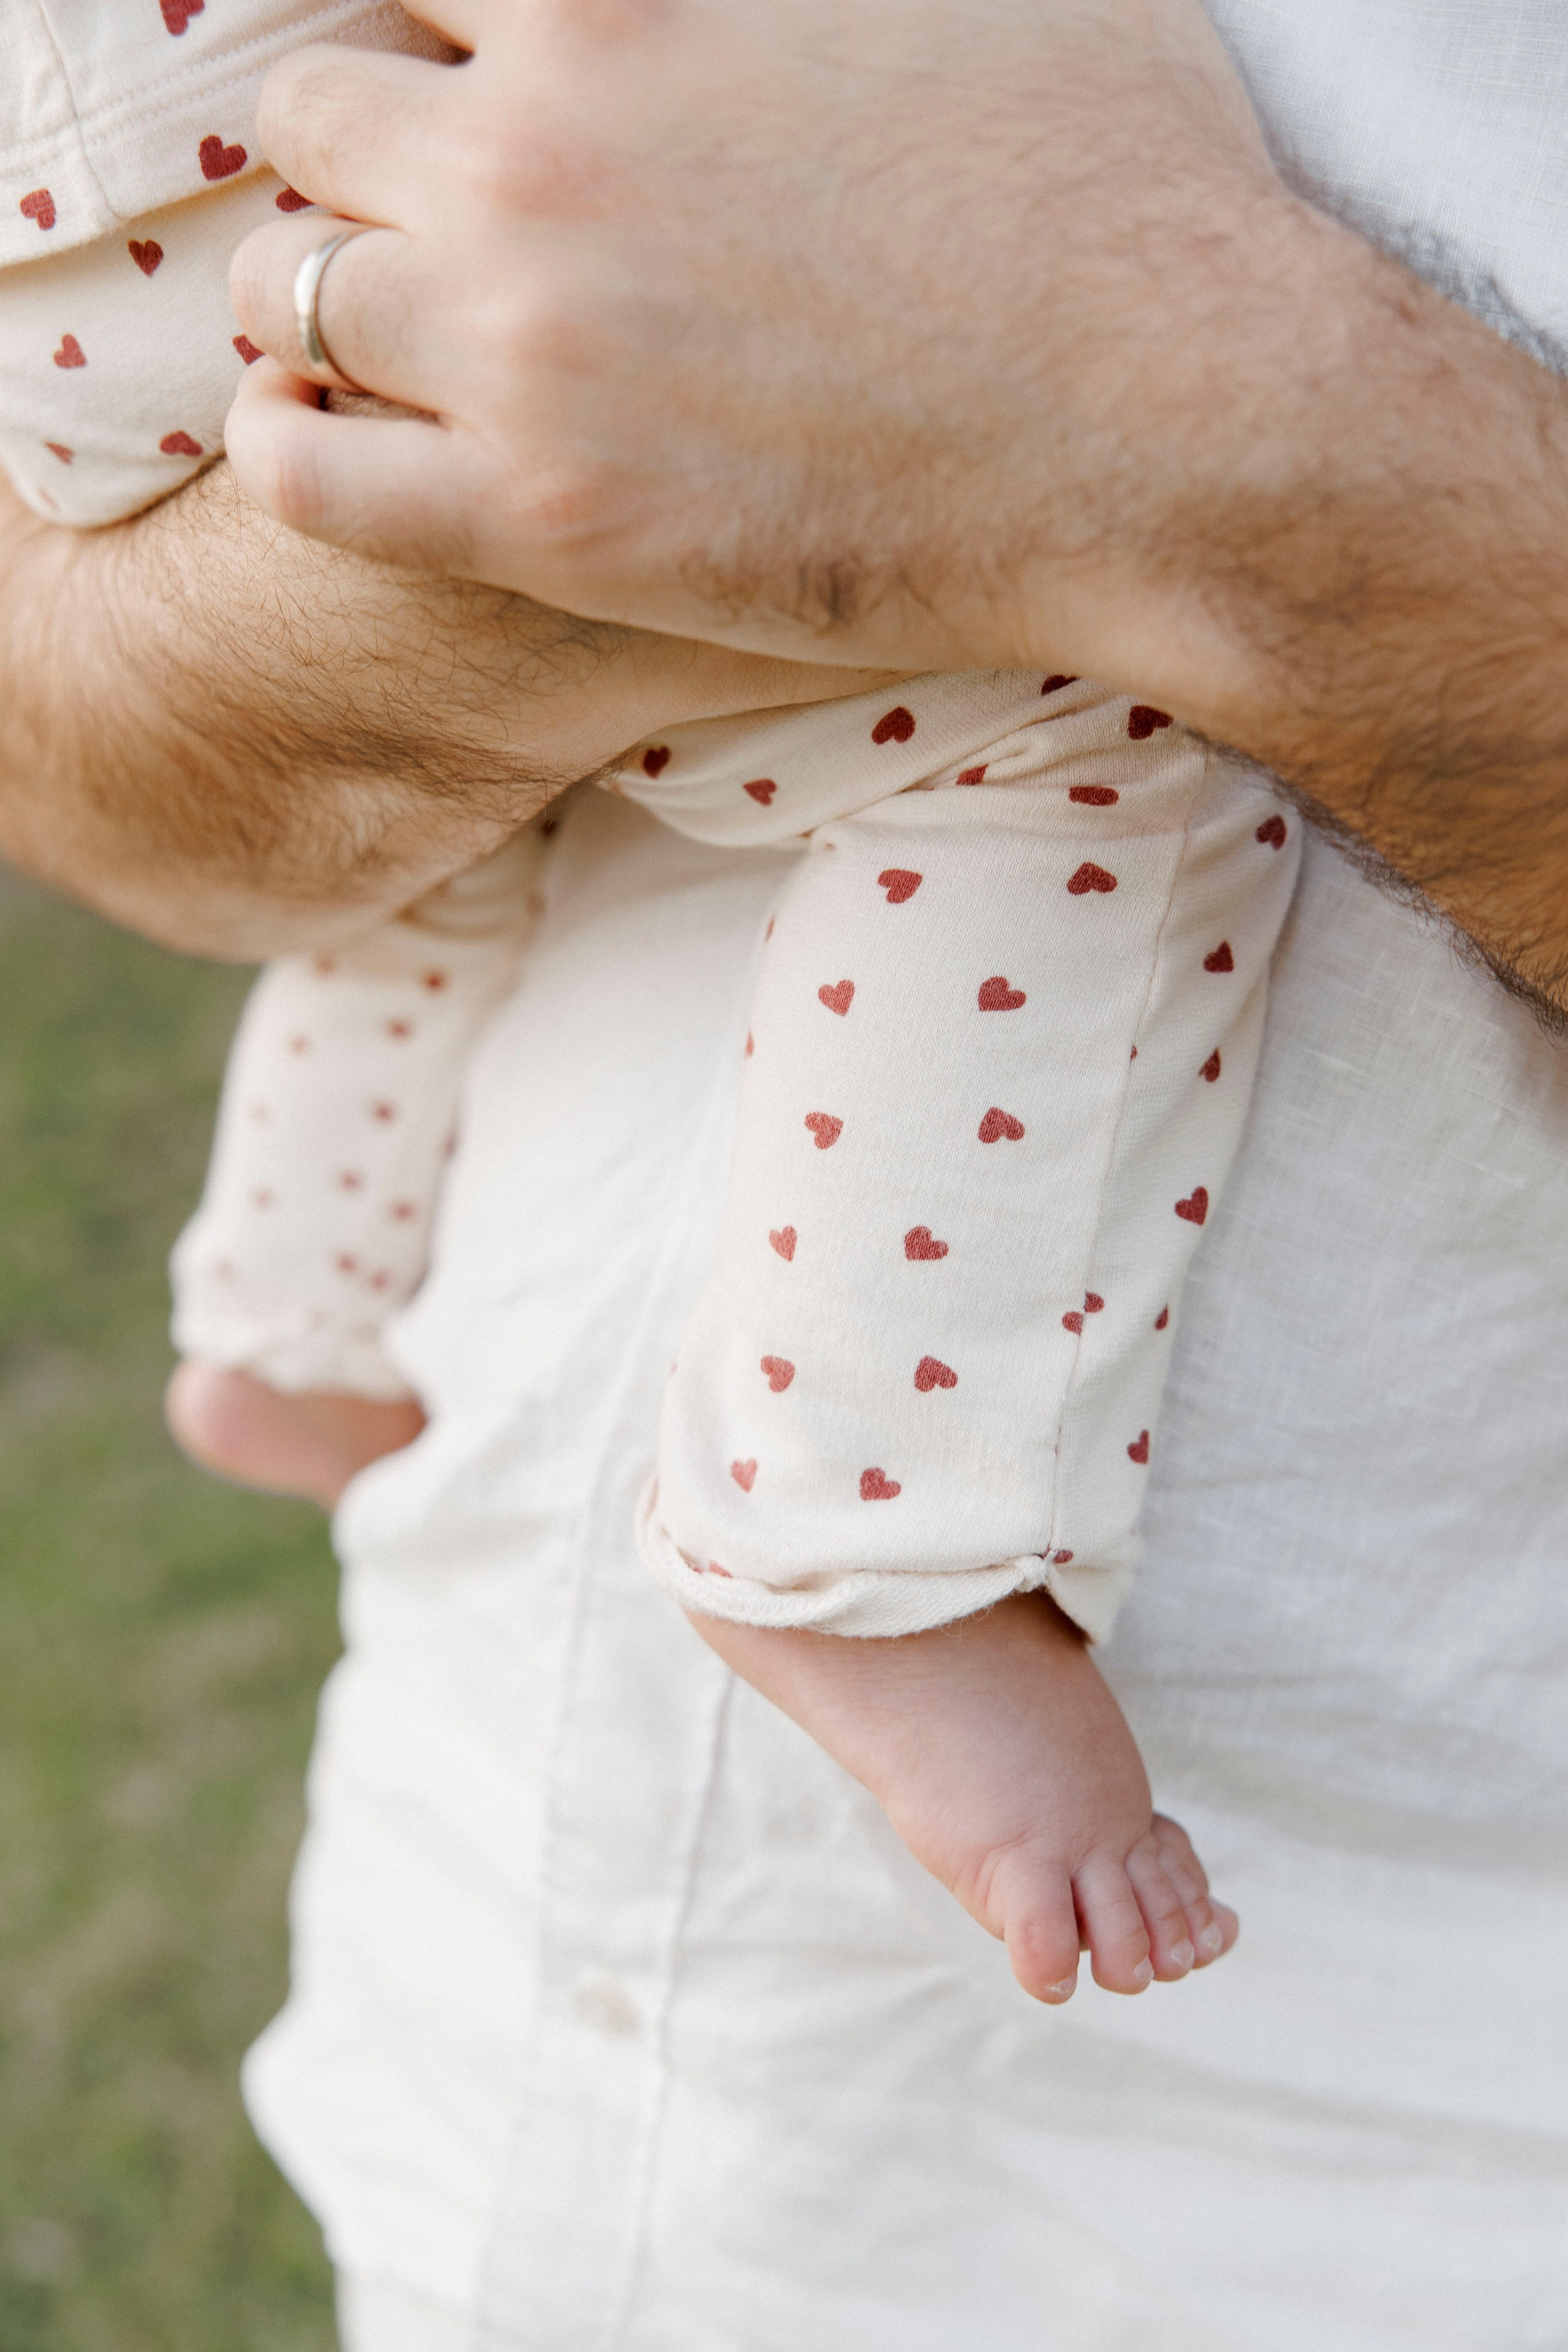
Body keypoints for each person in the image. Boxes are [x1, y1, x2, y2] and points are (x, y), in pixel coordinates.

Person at [2, 4, 1565, 2347]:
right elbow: (88, 728)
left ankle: (302, 1286)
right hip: (575, 1998)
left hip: (111, 192)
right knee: (1067, 710)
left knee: (584, 661)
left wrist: (1213, 405)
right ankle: (867, 1534)